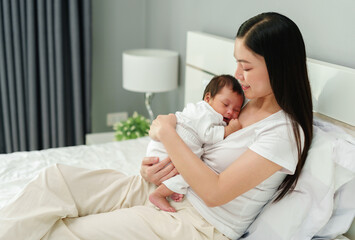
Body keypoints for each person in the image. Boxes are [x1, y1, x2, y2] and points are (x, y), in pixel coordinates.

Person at [0, 12, 313, 240]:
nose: (237, 74)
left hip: (197, 223)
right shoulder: (244, 102)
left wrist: (165, 131)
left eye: (246, 66)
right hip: (168, 189)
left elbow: (216, 192)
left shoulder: (284, 133)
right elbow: (197, 139)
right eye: (236, 62)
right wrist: (154, 169)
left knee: (67, 233)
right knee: (56, 182)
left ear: (279, 67)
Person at [148, 74, 245, 212]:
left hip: (162, 146)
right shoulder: (207, 112)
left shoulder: (200, 110)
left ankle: (170, 188)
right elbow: (207, 135)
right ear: (207, 98)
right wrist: (229, 129)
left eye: (236, 110)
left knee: (184, 173)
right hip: (169, 145)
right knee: (189, 175)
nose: (230, 112)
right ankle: (159, 195)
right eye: (225, 104)